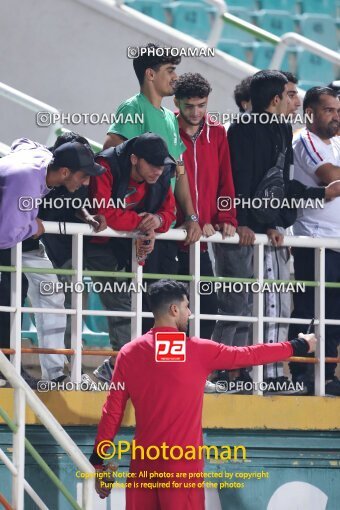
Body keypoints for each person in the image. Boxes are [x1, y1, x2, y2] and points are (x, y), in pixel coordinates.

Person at [89, 279, 316, 508]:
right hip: (181, 467)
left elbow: (112, 412)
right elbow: (249, 354)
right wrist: (298, 345)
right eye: (187, 306)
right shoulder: (197, 350)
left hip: (142, 466)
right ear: (174, 309)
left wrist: (98, 462)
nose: (189, 313)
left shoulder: (128, 353)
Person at [212, 71, 340, 392]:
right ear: (275, 100)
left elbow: (278, 182)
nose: (293, 100)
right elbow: (235, 178)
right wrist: (241, 220)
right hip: (243, 232)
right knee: (240, 306)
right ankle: (230, 371)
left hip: (267, 230)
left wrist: (273, 222)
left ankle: (269, 372)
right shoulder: (241, 130)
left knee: (276, 305)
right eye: (289, 94)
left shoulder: (282, 129)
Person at [0, 138, 105, 386]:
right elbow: (5, 236)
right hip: (8, 237)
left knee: (50, 294)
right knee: (9, 298)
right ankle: (6, 370)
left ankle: (54, 373)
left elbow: (23, 142)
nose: (86, 183)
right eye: (83, 176)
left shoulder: (42, 159)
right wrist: (32, 225)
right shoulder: (25, 178)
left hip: (21, 239)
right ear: (65, 171)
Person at [86, 133, 177, 382]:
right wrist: (142, 223)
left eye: (162, 164)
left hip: (134, 247)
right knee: (119, 305)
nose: (159, 171)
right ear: (135, 159)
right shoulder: (106, 165)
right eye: (153, 164)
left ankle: (120, 368)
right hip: (95, 245)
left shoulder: (162, 172)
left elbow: (169, 212)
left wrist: (157, 220)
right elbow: (102, 212)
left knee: (164, 305)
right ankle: (128, 370)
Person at [103, 42, 201, 246]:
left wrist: (191, 217)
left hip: (163, 224)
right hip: (138, 229)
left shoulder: (170, 118)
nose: (176, 77)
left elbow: (179, 171)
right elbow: (111, 154)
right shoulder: (133, 108)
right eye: (170, 70)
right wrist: (138, 219)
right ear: (150, 74)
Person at [174, 72, 237, 339]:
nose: (197, 111)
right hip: (172, 235)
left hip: (202, 239)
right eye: (190, 106)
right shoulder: (166, 129)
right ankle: (169, 374)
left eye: (202, 105)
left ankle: (192, 373)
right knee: (171, 313)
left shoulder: (218, 131)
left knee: (207, 309)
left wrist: (226, 216)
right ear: (176, 102)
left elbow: (226, 178)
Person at [289, 86, 340, 396]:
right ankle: (302, 371)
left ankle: (329, 374)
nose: (335, 116)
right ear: (310, 112)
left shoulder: (336, 140)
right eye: (328, 110)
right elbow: (329, 176)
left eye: (338, 110)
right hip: (315, 243)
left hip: (337, 244)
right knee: (310, 309)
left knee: (334, 313)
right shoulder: (304, 140)